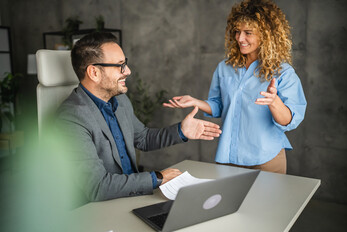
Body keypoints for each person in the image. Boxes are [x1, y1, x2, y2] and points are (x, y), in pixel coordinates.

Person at [56, 32, 222, 206]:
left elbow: (142, 138)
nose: (128, 71)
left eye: (125, 63)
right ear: (94, 72)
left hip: (133, 197)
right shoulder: (71, 119)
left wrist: (181, 130)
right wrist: (157, 178)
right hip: (99, 210)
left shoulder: (119, 100)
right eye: (120, 65)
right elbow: (98, 187)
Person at [163, 0, 306, 174]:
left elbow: (290, 120)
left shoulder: (283, 72)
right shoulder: (224, 68)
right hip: (229, 157)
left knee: (264, 203)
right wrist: (196, 102)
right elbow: (219, 106)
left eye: (248, 32)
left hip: (267, 158)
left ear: (266, 34)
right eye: (237, 31)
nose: (240, 38)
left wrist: (274, 101)